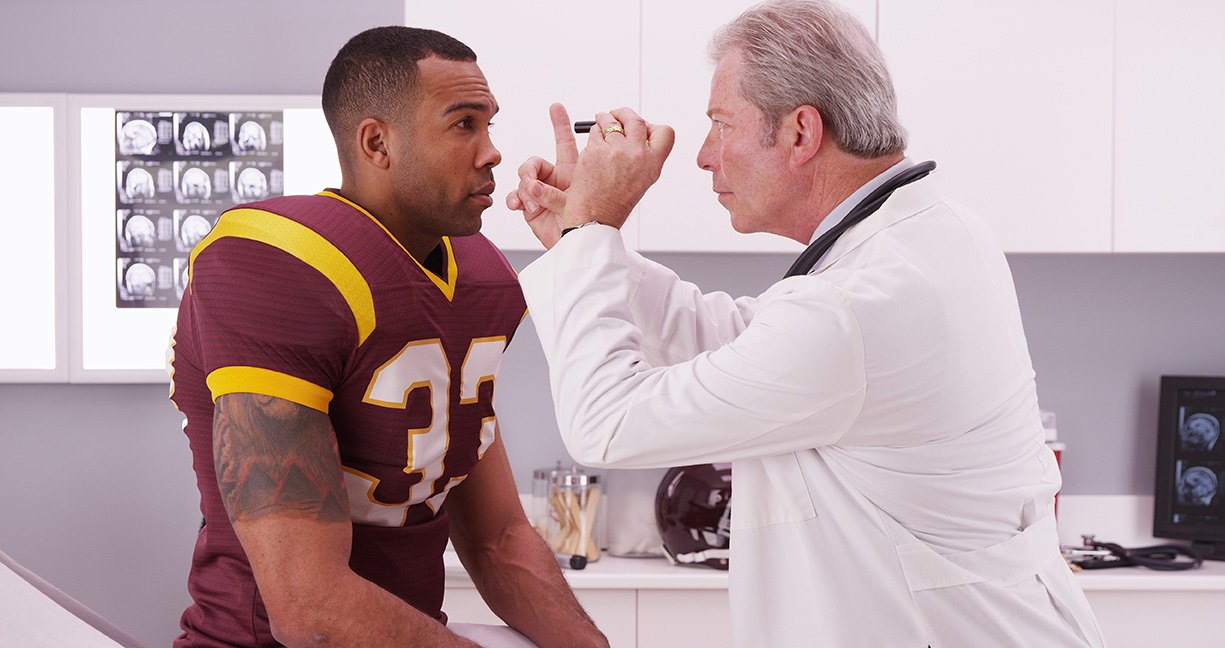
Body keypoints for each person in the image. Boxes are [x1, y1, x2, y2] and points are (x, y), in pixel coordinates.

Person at [506, 1, 1105, 646]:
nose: (703, 156)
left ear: (799, 133)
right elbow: (744, 342)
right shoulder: (937, 236)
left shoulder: (852, 310)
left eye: (720, 124)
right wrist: (579, 244)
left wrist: (591, 231)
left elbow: (606, 425)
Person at [170, 26, 608, 648]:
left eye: (489, 125)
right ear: (377, 143)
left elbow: (498, 538)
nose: (491, 152)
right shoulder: (276, 266)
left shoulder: (482, 275)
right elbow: (310, 610)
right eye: (463, 125)